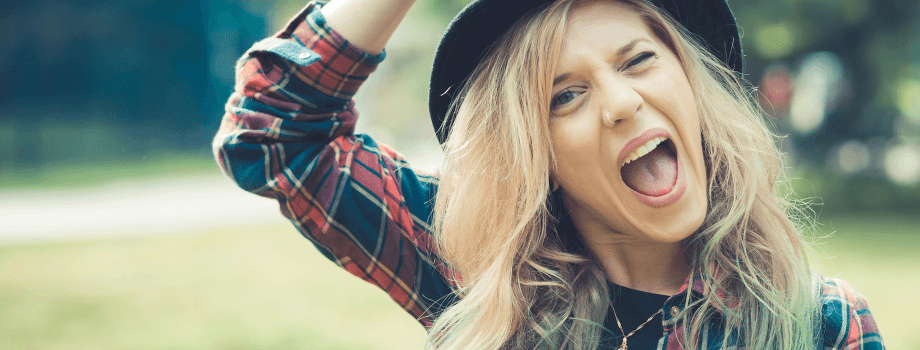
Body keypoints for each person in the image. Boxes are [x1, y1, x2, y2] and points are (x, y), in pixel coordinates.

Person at [213, 0, 884, 348]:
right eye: (564, 95)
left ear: (691, 81)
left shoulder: (818, 324)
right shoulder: (476, 273)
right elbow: (273, 135)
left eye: (638, 60)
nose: (621, 104)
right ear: (534, 151)